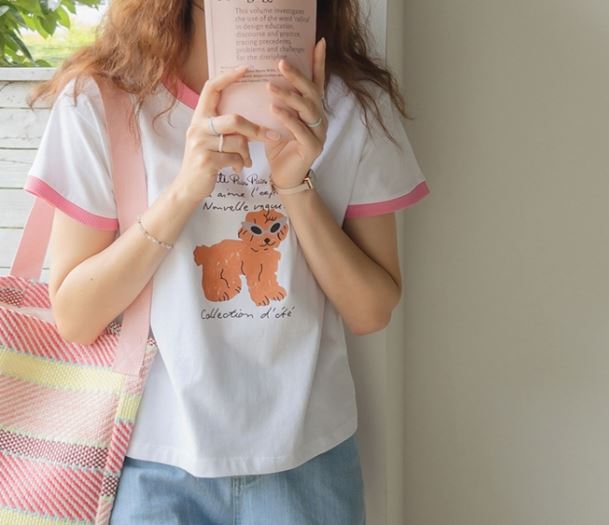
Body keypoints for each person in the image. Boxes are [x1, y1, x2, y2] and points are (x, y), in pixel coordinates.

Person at [24, 0, 430, 522]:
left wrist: (295, 187)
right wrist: (185, 190)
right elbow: (76, 317)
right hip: (150, 461)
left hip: (307, 459)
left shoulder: (350, 105)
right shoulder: (103, 100)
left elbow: (371, 311)